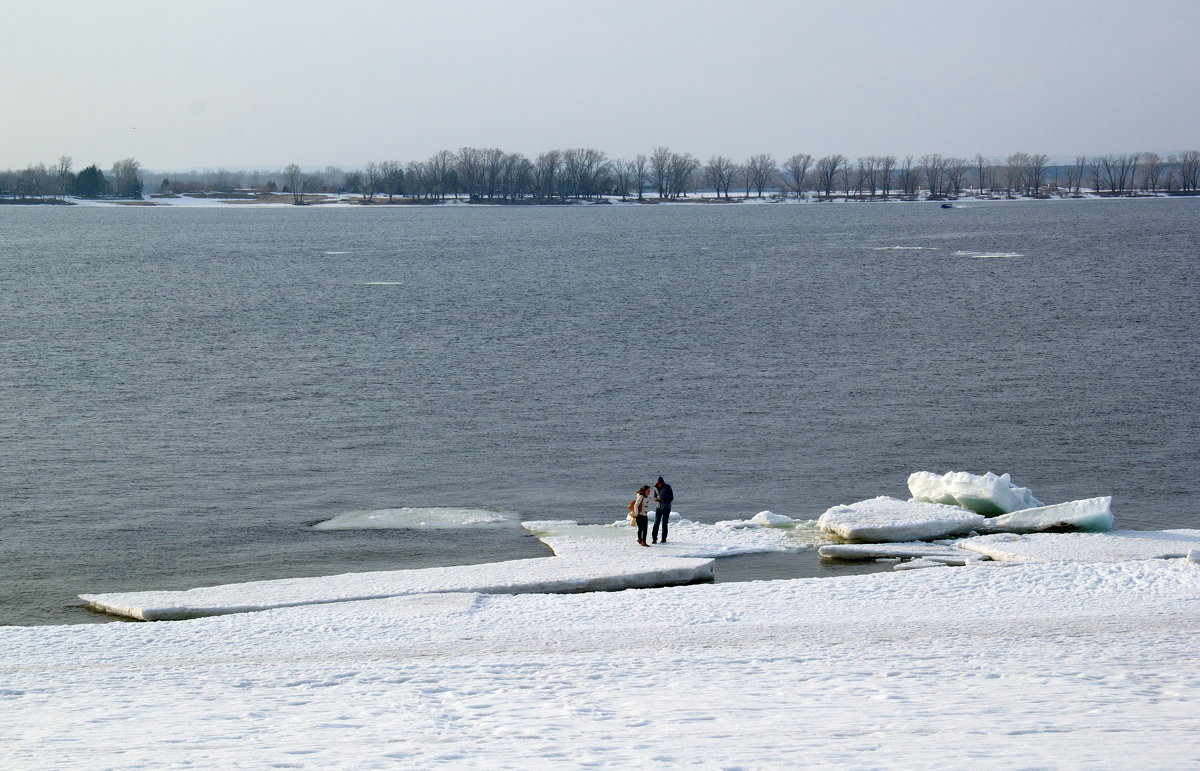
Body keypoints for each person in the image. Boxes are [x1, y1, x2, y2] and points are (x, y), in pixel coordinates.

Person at [652, 476, 673, 544]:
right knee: (656, 523)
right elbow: (655, 496)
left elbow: (671, 497)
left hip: (666, 508)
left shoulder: (667, 487)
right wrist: (656, 500)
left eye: (661, 483)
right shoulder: (655, 488)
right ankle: (654, 539)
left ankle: (664, 539)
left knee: (664, 523)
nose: (660, 484)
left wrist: (664, 501)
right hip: (658, 508)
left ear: (663, 482)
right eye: (658, 483)